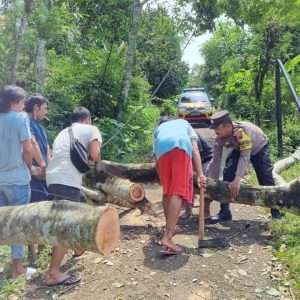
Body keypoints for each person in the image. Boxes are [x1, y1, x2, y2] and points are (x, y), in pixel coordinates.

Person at [44, 106, 102, 286]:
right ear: (88, 119)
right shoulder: (91, 129)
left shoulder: (63, 132)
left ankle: (77, 249)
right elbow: (95, 155)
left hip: (52, 178)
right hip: (67, 180)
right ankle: (53, 273)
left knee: (68, 218)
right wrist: (97, 157)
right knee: (66, 226)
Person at [206, 110, 282, 224]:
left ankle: (276, 211)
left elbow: (245, 157)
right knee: (227, 174)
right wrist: (209, 181)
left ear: (227, 126)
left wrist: (237, 179)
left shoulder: (243, 133)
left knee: (266, 178)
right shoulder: (219, 137)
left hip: (259, 147)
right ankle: (224, 212)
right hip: (239, 149)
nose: (215, 131)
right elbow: (215, 161)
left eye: (217, 128)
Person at [153, 117, 206, 253]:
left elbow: (155, 158)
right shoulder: (184, 123)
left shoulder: (159, 129)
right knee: (177, 191)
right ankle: (168, 237)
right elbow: (194, 149)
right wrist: (200, 174)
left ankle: (170, 228)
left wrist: (163, 180)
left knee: (168, 191)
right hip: (179, 146)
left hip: (161, 150)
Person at [0, 85, 33, 278]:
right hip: (17, 179)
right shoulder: (21, 118)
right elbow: (28, 148)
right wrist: (29, 167)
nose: (23, 107)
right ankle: (18, 269)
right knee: (17, 223)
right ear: (14, 102)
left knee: (2, 222)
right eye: (22, 102)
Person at [25, 94, 50, 202]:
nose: (46, 112)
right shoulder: (25, 123)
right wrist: (42, 165)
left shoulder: (40, 127)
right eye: (44, 108)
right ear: (36, 108)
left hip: (43, 175)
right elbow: (32, 144)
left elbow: (47, 148)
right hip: (32, 175)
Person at [182, 132, 212, 218]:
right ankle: (188, 210)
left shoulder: (192, 134)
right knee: (187, 184)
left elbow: (196, 153)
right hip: (190, 159)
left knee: (205, 185)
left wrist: (196, 173)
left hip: (206, 159)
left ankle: (205, 213)